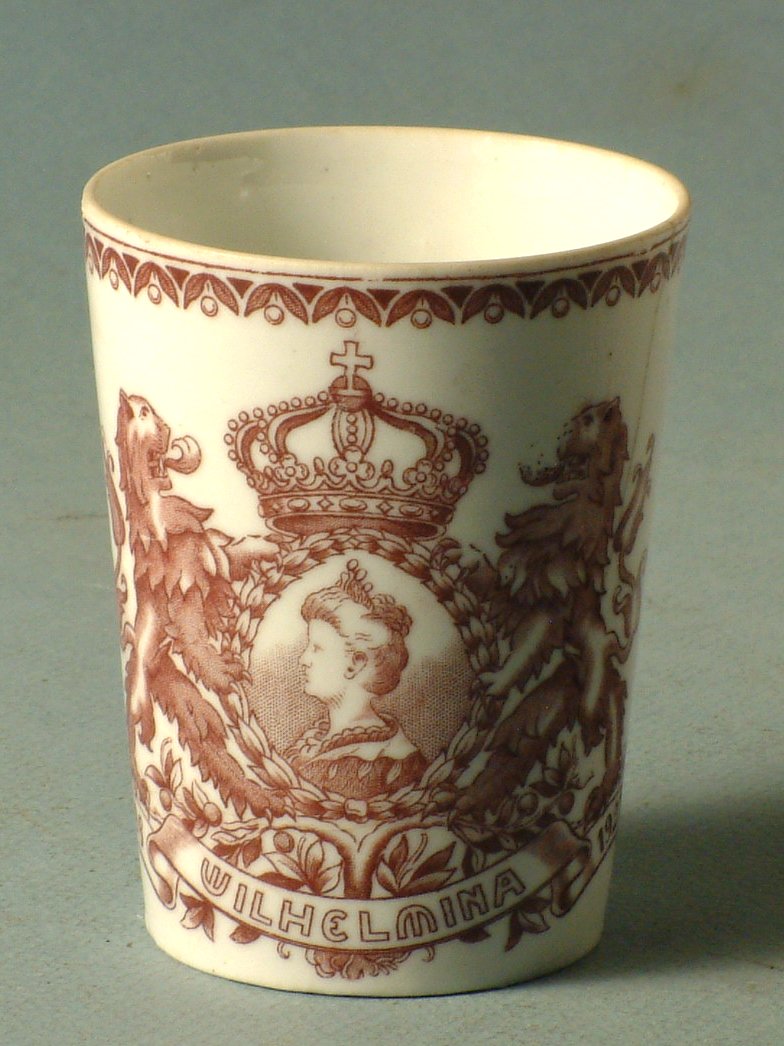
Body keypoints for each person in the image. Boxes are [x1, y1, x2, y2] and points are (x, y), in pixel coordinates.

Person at [287, 560, 426, 799]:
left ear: (355, 664)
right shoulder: (312, 742)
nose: (304, 659)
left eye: (317, 648)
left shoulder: (391, 763)